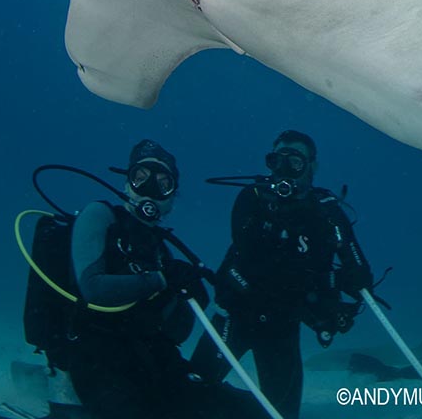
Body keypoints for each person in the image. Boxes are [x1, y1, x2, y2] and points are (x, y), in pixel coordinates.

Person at [65, 139, 263, 419]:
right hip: (98, 358)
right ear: (126, 183)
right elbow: (93, 289)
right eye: (140, 178)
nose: (150, 190)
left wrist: (190, 296)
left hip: (152, 361)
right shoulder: (101, 216)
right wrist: (161, 280)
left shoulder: (161, 249)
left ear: (172, 196)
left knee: (243, 409)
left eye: (162, 183)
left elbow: (176, 333)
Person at [190, 130, 374, 419]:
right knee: (190, 392)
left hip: (280, 327)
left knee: (282, 414)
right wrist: (327, 286)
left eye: (295, 162)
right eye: (278, 161)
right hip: (236, 314)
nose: (285, 169)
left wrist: (345, 253)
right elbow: (257, 267)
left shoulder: (326, 212)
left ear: (312, 167)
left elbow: (361, 276)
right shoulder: (252, 199)